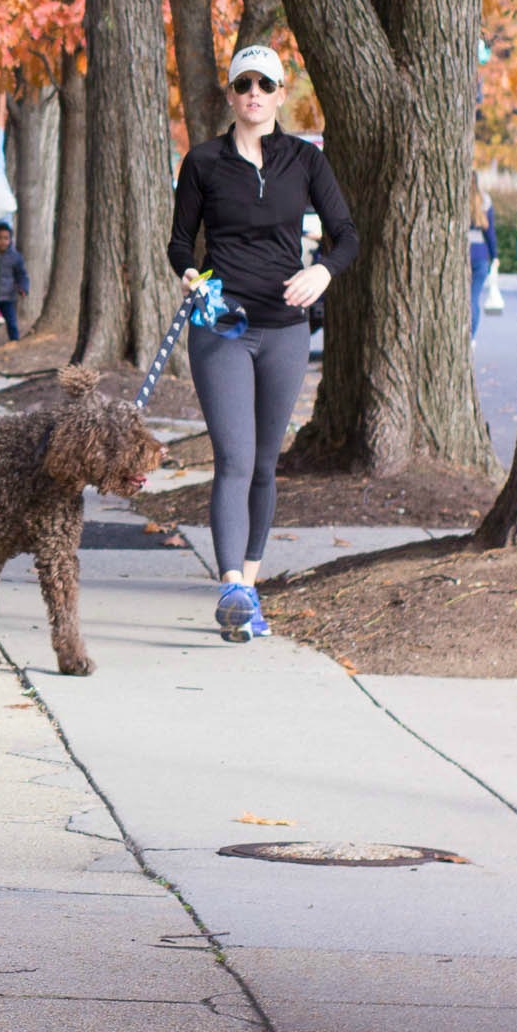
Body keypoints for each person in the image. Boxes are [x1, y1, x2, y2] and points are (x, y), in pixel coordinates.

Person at [168, 42, 359, 643]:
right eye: (243, 84)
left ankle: (248, 589)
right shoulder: (202, 162)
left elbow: (347, 234)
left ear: (282, 95)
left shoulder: (305, 161)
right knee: (233, 456)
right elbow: (180, 241)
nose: (254, 94)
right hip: (221, 325)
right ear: (230, 94)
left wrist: (322, 271)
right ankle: (231, 586)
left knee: (263, 465)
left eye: (265, 85)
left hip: (284, 329)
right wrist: (191, 276)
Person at [469, 167, 497, 339]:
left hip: (463, 256)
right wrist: (495, 256)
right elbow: (490, 233)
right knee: (473, 299)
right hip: (481, 257)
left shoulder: (457, 199)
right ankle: (470, 338)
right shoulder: (484, 200)